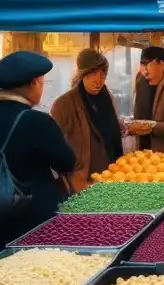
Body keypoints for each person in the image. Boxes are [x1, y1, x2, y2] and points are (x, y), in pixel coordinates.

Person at [0, 52, 77, 253]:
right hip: (30, 221)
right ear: (33, 84)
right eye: (42, 82)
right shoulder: (37, 121)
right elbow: (67, 162)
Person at [51, 48, 123, 192]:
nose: (98, 80)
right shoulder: (63, 104)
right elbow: (54, 146)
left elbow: (112, 134)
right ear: (83, 74)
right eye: (93, 73)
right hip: (81, 181)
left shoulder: (109, 99)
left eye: (103, 74)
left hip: (111, 176)